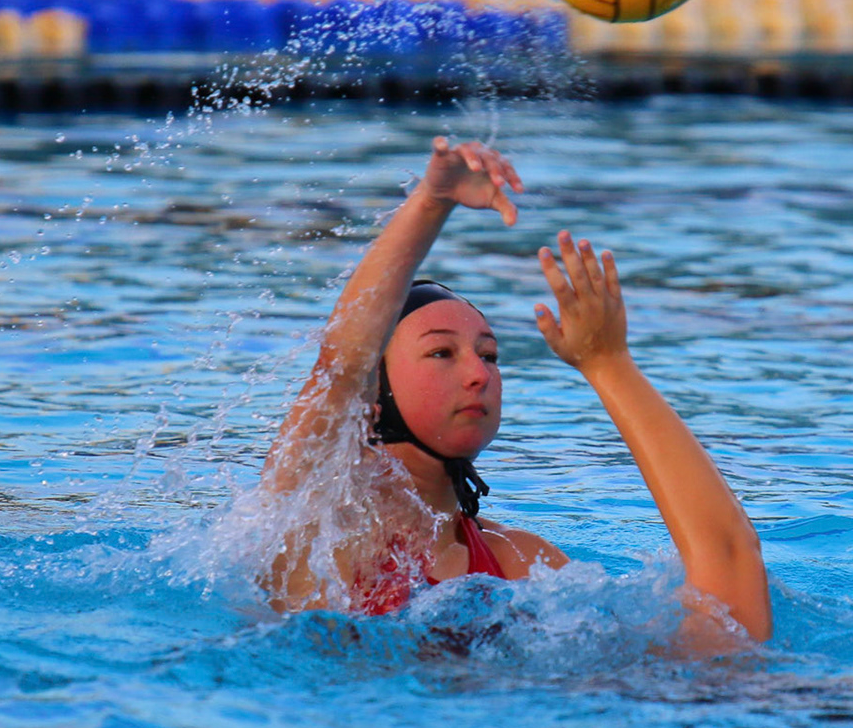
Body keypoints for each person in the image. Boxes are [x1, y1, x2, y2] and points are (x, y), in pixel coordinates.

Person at [263, 137, 771, 643]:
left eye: (489, 355)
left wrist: (607, 362)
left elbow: (730, 579)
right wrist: (431, 203)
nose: (479, 374)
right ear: (373, 389)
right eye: (441, 353)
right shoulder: (317, 526)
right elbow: (341, 361)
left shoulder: (522, 563)